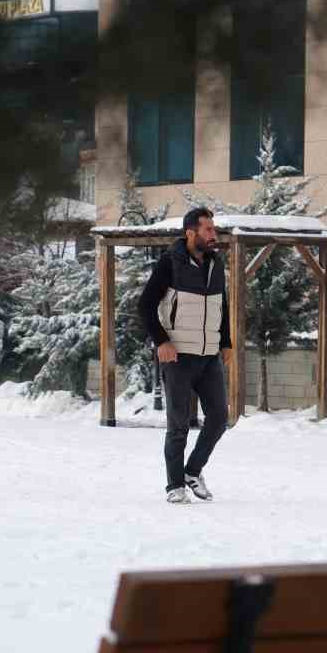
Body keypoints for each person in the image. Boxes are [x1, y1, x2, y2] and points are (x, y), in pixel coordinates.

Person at [139, 206, 232, 504]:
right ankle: (174, 486)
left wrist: (226, 342)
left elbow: (222, 306)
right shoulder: (170, 264)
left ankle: (193, 471)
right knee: (178, 425)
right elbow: (145, 305)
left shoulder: (216, 265)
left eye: (213, 229)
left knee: (219, 418)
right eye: (207, 229)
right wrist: (161, 341)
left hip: (208, 356)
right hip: (177, 355)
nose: (213, 234)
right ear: (190, 232)